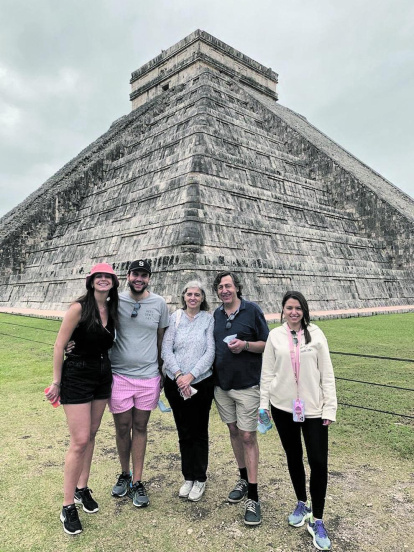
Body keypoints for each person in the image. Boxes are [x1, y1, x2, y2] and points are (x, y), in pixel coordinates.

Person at [260, 291, 337, 551]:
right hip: (282, 407)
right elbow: (267, 373)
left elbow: (327, 373)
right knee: (293, 456)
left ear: (304, 310)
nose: (294, 312)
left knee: (318, 462)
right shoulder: (275, 336)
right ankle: (302, 502)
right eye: (289, 308)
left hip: (313, 409)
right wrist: (263, 405)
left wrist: (329, 408)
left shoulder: (316, 334)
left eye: (298, 308)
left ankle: (318, 519)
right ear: (282, 310)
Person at [47, 262, 119, 535]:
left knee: (90, 435)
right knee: (78, 441)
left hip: (102, 375)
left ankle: (82, 488)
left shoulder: (112, 309)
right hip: (77, 375)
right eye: (98, 276)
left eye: (107, 276)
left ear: (113, 282)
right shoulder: (79, 308)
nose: (103, 280)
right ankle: (67, 506)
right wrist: (57, 381)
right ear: (91, 281)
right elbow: (59, 345)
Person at [109, 259, 169, 508]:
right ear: (128, 275)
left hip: (148, 376)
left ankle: (138, 480)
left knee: (141, 427)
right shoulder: (114, 301)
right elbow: (94, 324)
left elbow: (161, 339)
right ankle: (125, 473)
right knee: (123, 428)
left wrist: (162, 370)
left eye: (144, 275)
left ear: (149, 278)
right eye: (135, 274)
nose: (139, 279)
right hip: (119, 375)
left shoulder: (159, 303)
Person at [212, 271, 269, 526]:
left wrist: (245, 345)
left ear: (237, 288)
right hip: (222, 386)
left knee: (248, 436)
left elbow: (266, 343)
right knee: (234, 431)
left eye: (228, 286)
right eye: (220, 287)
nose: (224, 290)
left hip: (247, 385)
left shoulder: (252, 310)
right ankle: (243, 478)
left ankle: (254, 496)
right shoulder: (216, 315)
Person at [161, 280, 215, 502]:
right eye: (189, 294)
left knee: (199, 431)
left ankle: (200, 477)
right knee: (183, 430)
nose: (193, 298)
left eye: (197, 294)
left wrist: (191, 376)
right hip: (176, 383)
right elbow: (166, 348)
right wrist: (178, 375)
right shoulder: (175, 317)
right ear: (183, 296)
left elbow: (210, 351)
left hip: (201, 382)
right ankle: (188, 476)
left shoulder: (208, 319)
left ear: (202, 298)